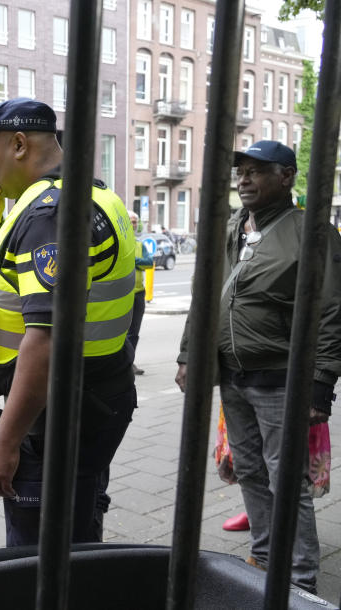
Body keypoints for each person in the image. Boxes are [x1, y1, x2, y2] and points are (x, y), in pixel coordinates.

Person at [0, 97, 137, 545]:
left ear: (19, 144)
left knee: (41, 562)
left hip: (59, 415)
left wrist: (5, 443)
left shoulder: (48, 215)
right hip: (90, 400)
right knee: (77, 534)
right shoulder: (93, 195)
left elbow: (45, 340)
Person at [176, 140, 340, 594]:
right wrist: (190, 353)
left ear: (286, 176)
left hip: (280, 376)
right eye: (240, 171)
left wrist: (321, 384)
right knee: (249, 469)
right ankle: (266, 555)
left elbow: (329, 312)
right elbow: (206, 294)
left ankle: (301, 575)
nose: (243, 179)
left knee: (285, 477)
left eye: (256, 171)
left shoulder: (312, 233)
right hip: (233, 374)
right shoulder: (232, 226)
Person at [127, 211, 154, 376]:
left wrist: (135, 261)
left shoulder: (139, 245)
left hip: (138, 294)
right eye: (130, 221)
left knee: (134, 332)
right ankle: (123, 363)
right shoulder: (121, 242)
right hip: (123, 293)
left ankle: (130, 362)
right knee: (121, 332)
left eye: (135, 222)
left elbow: (149, 263)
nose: (133, 225)